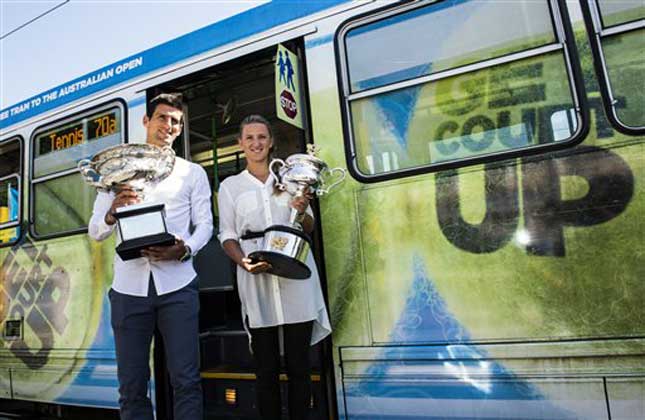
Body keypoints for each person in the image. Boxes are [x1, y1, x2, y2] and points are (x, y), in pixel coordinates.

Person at [88, 93, 213, 420]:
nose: (168, 126)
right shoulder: (116, 171)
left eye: (175, 121)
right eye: (162, 118)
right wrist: (113, 212)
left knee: (186, 380)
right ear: (146, 121)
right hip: (129, 292)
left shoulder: (192, 173)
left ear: (180, 128)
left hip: (179, 288)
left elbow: (206, 225)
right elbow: (95, 231)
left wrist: (184, 248)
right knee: (131, 386)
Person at [218, 115, 331, 420]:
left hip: (295, 267)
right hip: (255, 271)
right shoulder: (229, 186)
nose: (256, 143)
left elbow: (309, 225)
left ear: (271, 142)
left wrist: (300, 208)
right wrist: (241, 261)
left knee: (299, 366)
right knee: (265, 368)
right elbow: (227, 234)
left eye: (262, 137)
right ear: (240, 144)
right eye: (250, 138)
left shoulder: (291, 177)